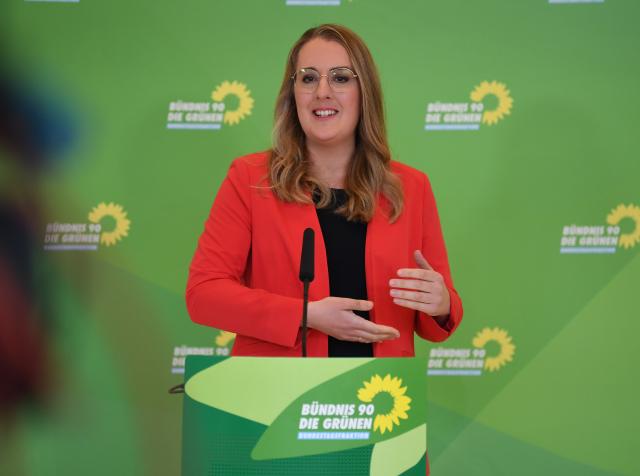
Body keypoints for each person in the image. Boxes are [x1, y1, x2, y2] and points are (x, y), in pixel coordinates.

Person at [186, 24, 462, 358]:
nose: (322, 92)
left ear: (365, 92)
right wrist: (307, 316)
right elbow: (204, 295)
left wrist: (441, 302)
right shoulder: (251, 178)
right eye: (308, 78)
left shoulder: (411, 187)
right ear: (293, 93)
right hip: (277, 399)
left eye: (341, 78)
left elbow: (437, 320)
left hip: (380, 397)